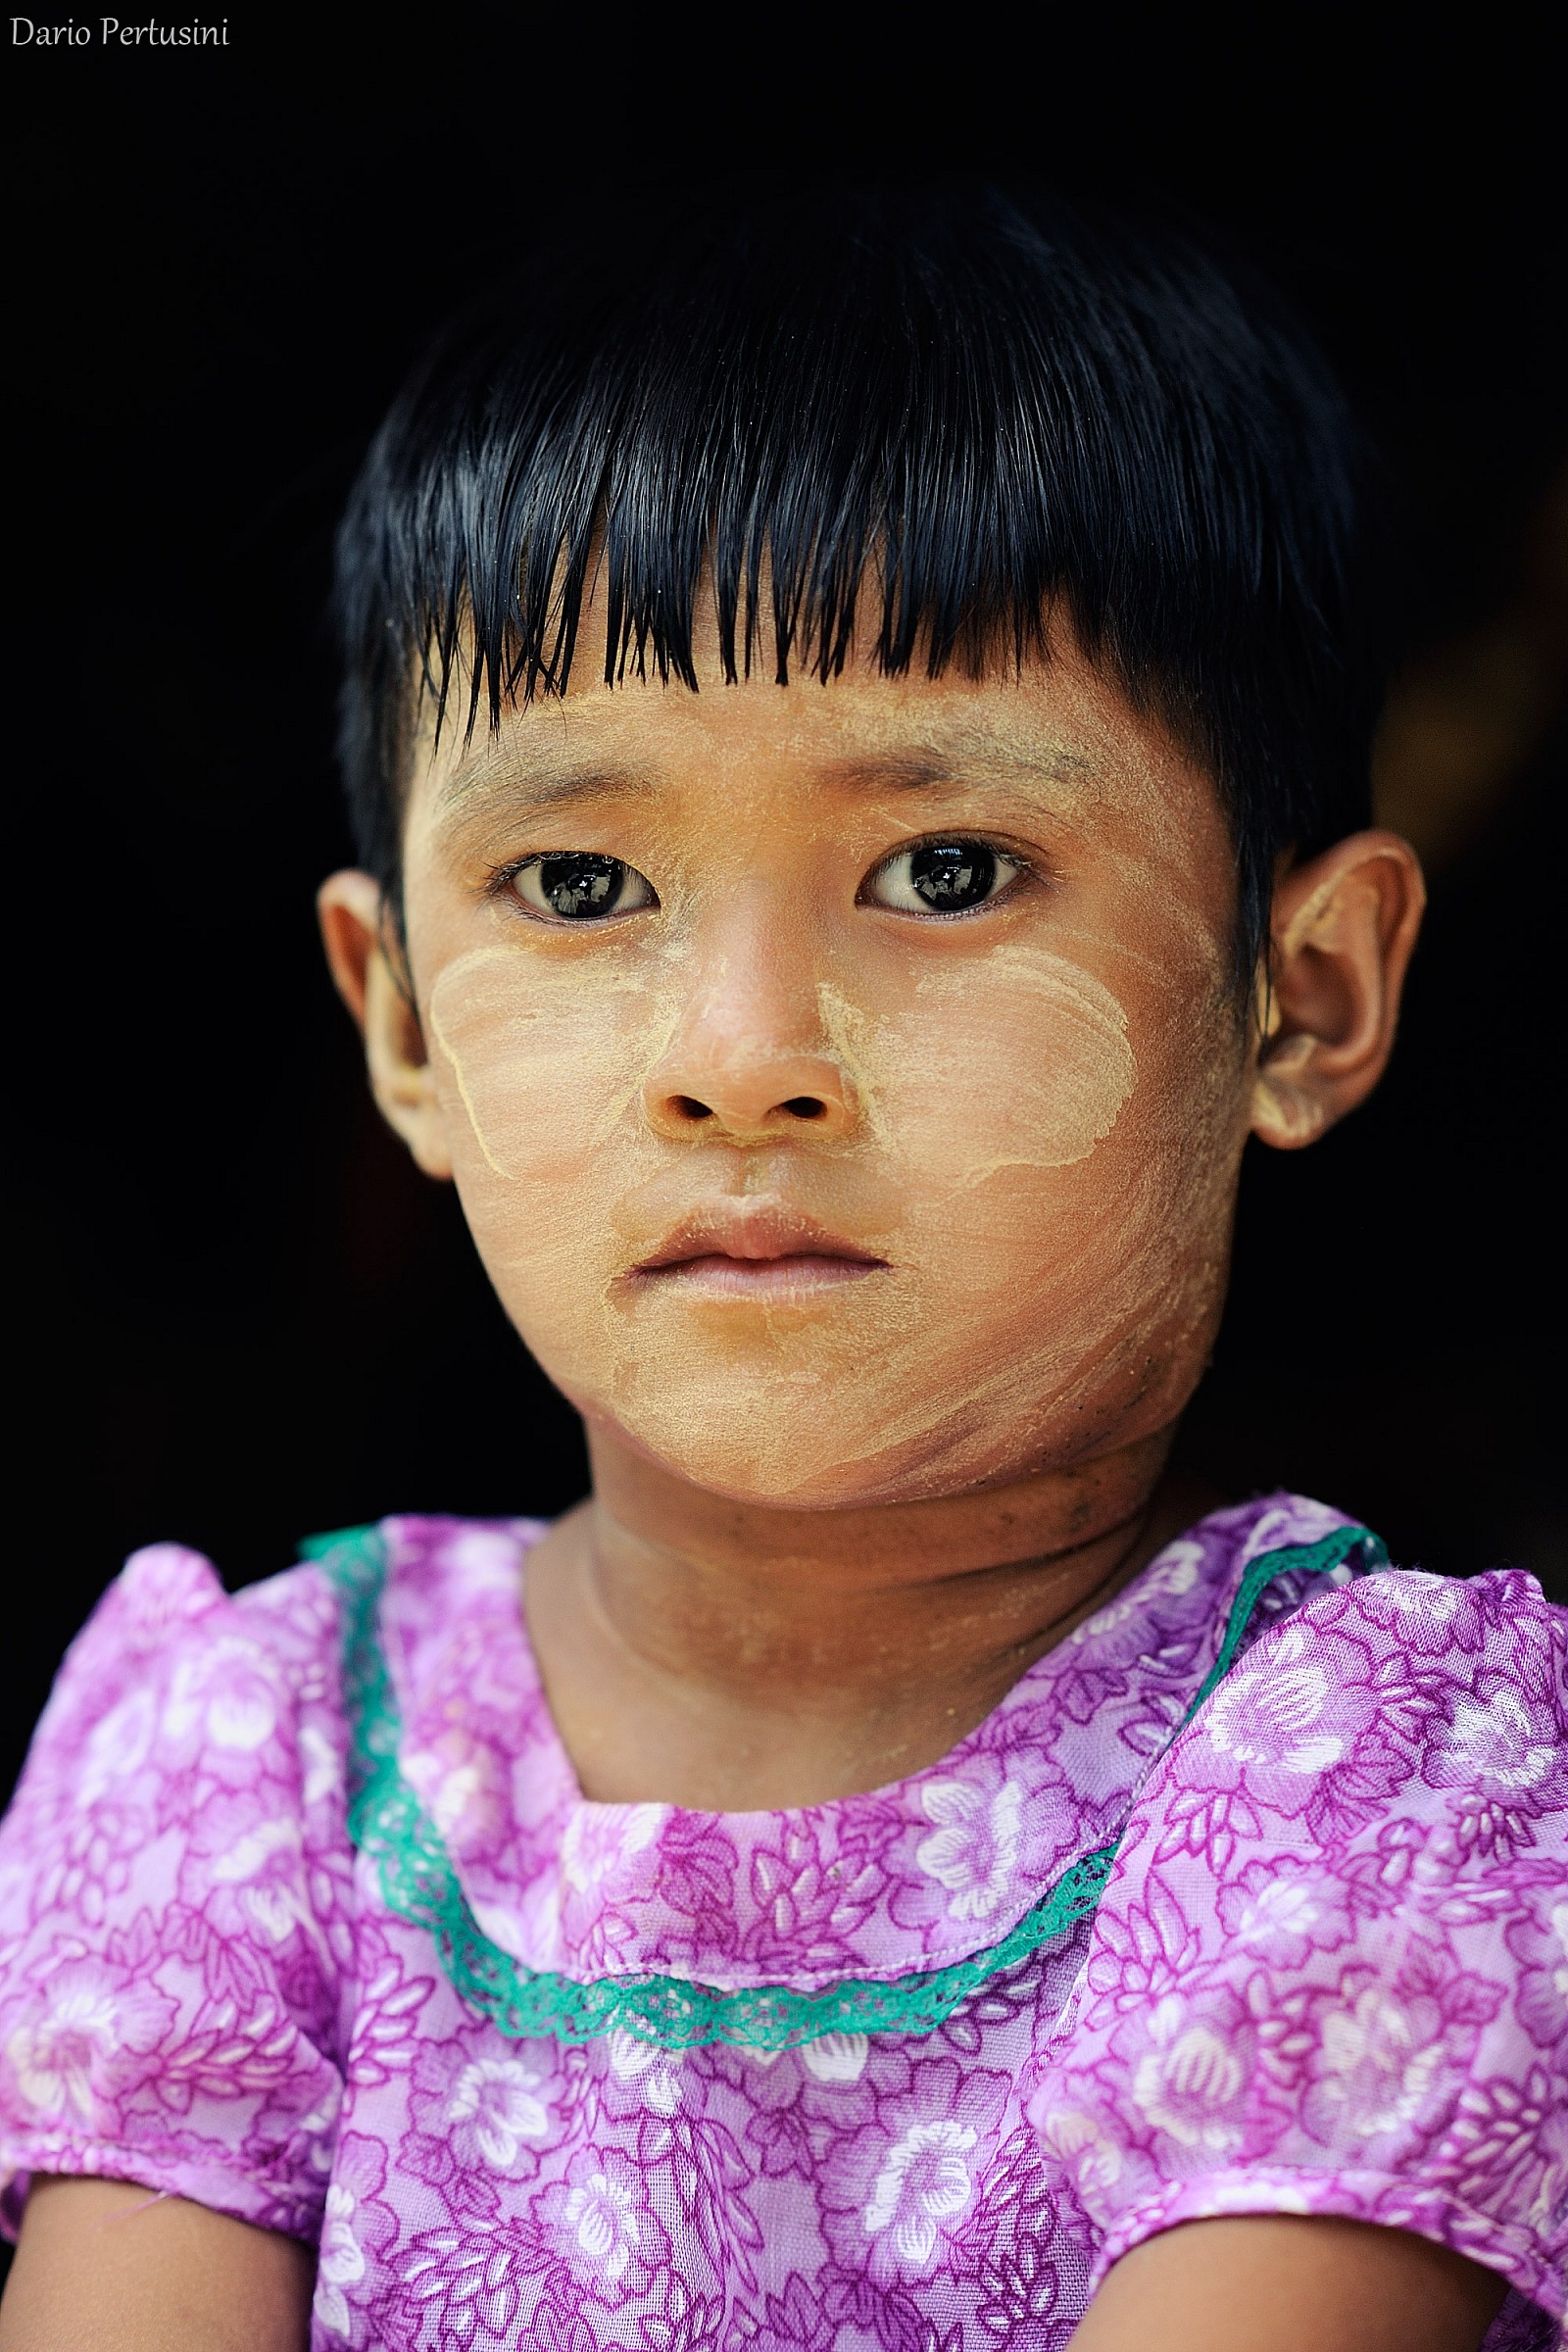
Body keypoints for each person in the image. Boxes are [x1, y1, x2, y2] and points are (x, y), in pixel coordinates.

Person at [0, 187, 1561, 2352]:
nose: (742, 1061)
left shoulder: (1368, 1768)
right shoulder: (244, 1755)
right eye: (574, 877)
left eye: (941, 869)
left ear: (1294, 996)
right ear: (403, 1030)